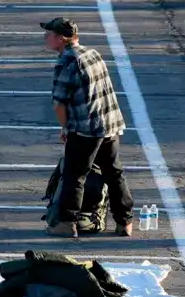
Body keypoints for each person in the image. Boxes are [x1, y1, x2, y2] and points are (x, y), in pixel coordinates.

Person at [43, 16, 135, 238]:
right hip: (110, 123)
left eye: (49, 34)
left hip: (86, 129)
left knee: (75, 175)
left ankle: (66, 223)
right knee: (114, 173)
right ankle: (125, 222)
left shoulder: (67, 63)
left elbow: (59, 103)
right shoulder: (92, 53)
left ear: (61, 39)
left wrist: (65, 127)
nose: (45, 38)